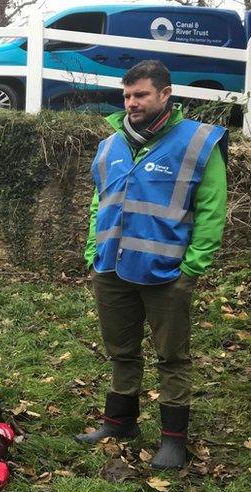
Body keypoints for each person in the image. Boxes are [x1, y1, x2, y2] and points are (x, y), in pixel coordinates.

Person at [76, 60, 227, 470]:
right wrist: (93, 253)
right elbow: (99, 203)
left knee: (172, 358)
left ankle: (174, 440)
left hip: (167, 274)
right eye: (127, 96)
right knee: (121, 351)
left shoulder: (199, 142)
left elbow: (212, 210)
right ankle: (120, 422)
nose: (131, 103)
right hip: (110, 269)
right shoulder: (110, 144)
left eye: (141, 94)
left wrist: (192, 270)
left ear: (165, 94)